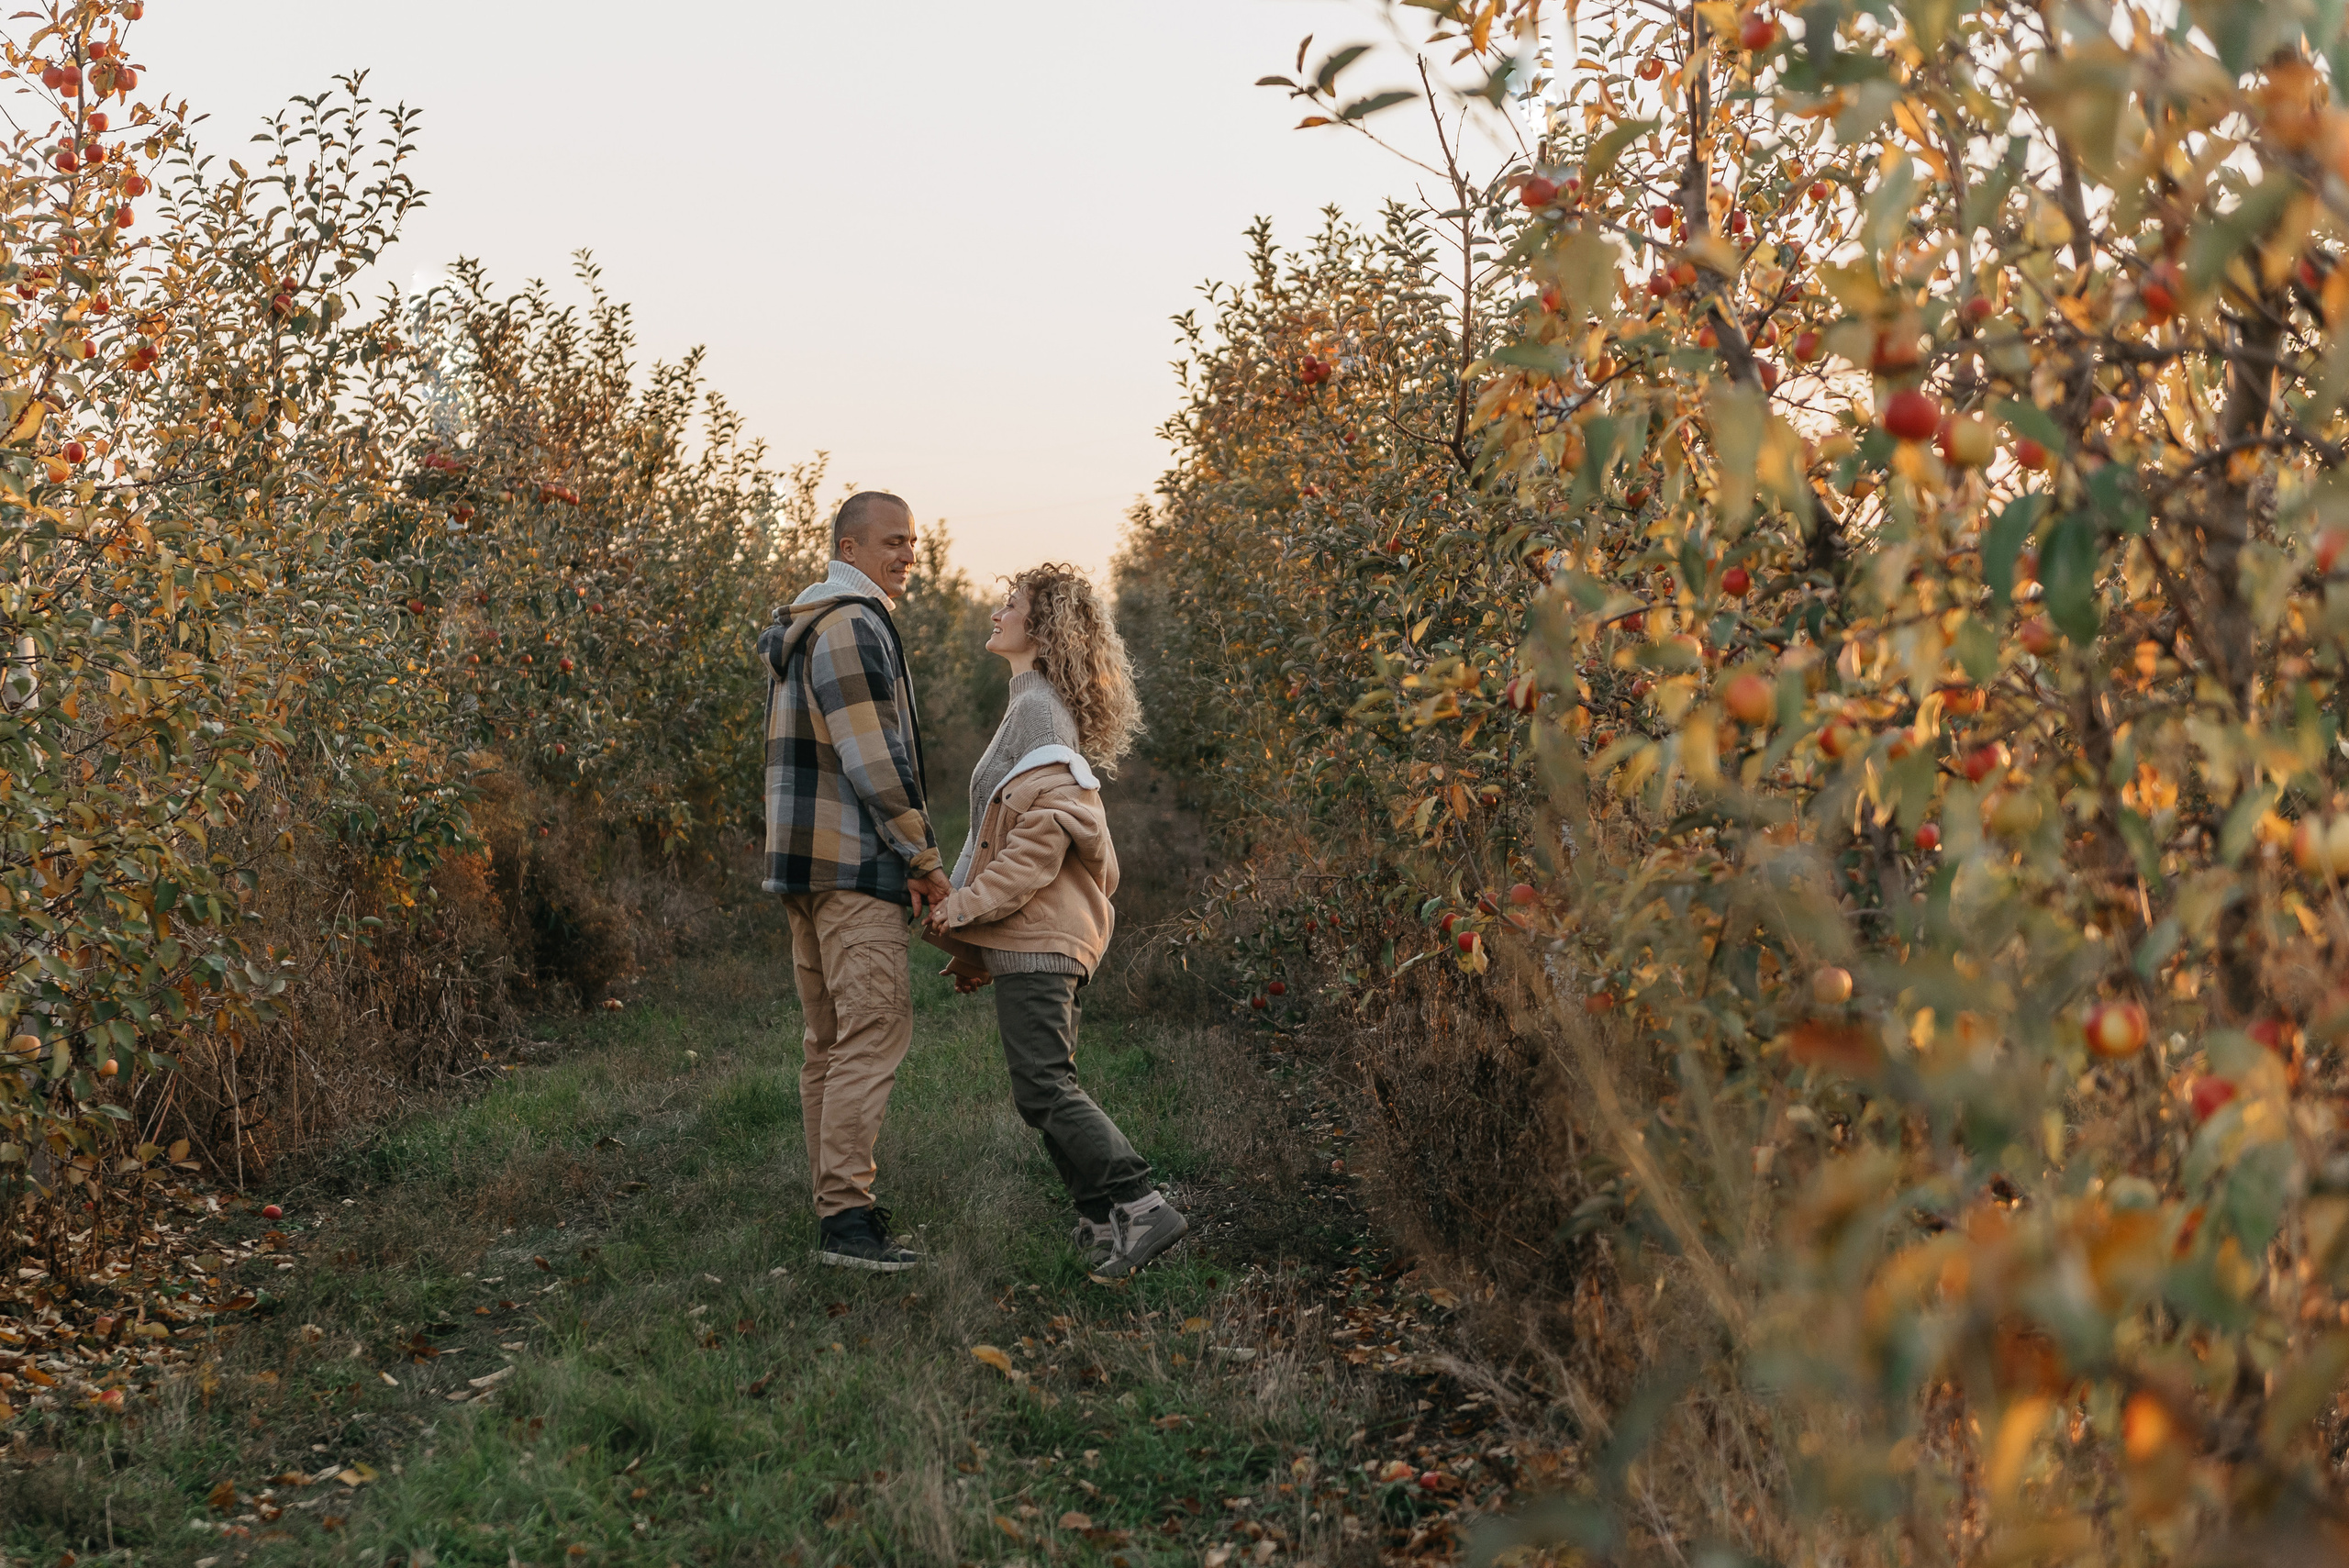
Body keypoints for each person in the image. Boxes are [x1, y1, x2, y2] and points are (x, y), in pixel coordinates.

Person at [922, 564, 1187, 1280]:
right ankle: (1103, 1220)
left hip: (1045, 934)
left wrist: (964, 906)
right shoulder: (1026, 703)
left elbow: (1039, 842)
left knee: (1044, 1086)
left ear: (1041, 629)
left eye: (1011, 604)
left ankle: (1139, 1202)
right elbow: (996, 833)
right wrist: (975, 949)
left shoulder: (1039, 710)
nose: (996, 611)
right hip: (1032, 935)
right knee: (1041, 1084)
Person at [756, 491, 952, 1272]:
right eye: (892, 541)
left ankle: (839, 1205)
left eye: (914, 541)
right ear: (848, 546)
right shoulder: (850, 624)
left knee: (831, 1040)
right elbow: (874, 759)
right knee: (872, 1031)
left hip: (807, 864)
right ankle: (846, 1221)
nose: (908, 554)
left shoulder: (811, 624)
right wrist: (923, 857)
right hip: (849, 865)